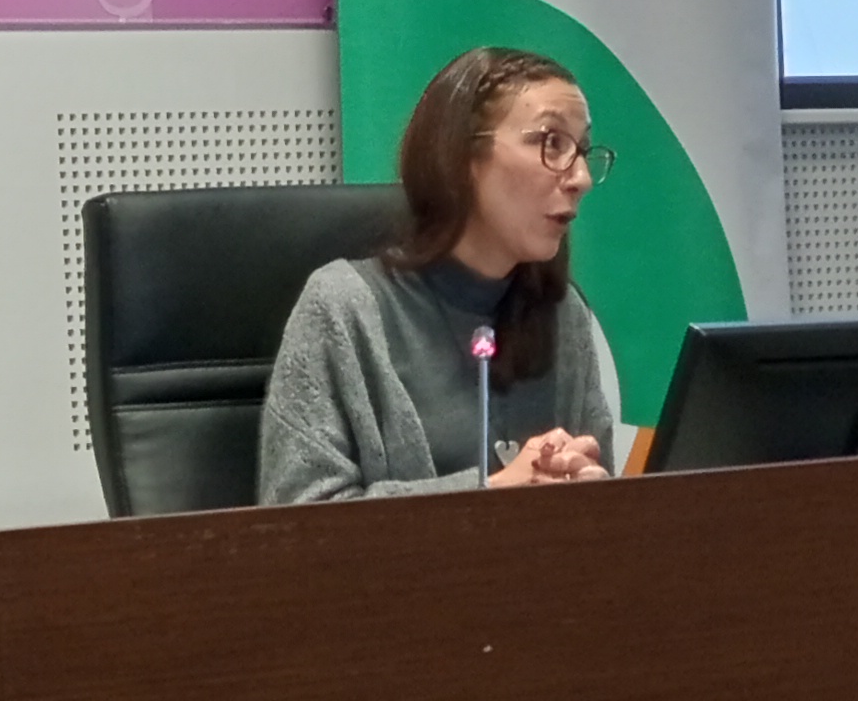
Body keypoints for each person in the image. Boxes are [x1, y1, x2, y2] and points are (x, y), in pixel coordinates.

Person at [260, 46, 625, 504]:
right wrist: (489, 492)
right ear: (461, 156)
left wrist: (592, 498)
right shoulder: (343, 309)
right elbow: (297, 523)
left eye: (583, 149)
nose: (581, 178)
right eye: (552, 143)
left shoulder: (563, 314)